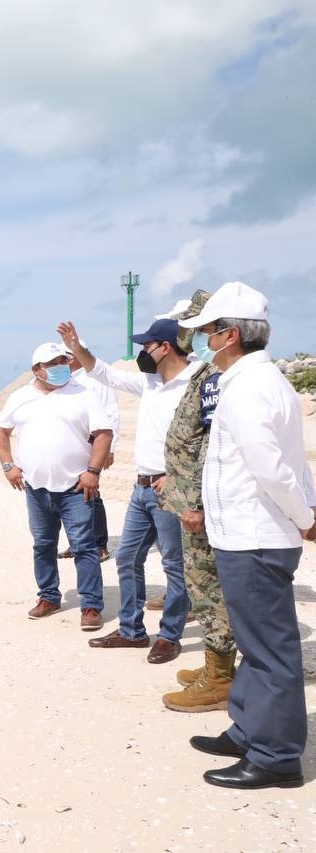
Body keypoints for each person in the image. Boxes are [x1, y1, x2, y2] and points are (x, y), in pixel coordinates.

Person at [177, 281, 316, 790]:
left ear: (230, 334)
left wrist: (305, 517)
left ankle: (277, 757)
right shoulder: (256, 381)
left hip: (255, 535)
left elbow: (272, 468)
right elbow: (291, 458)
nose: (204, 342)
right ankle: (249, 729)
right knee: (256, 643)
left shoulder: (250, 386)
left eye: (208, 332)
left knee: (269, 649)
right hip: (244, 533)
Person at [57, 317, 195, 664]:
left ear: (166, 347)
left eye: (147, 346)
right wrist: (77, 348)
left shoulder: (196, 382)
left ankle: (169, 635)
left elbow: (206, 439)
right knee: (127, 557)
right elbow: (104, 373)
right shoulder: (151, 382)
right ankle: (132, 631)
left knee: (174, 566)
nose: (142, 352)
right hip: (142, 488)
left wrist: (179, 477)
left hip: (171, 488)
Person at [0, 342, 113, 630]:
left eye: (64, 360)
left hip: (77, 488)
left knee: (84, 547)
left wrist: (92, 472)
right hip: (36, 489)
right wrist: (9, 466)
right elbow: (1, 431)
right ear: (37, 369)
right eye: (54, 362)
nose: (62, 366)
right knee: (43, 545)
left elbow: (103, 434)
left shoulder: (83, 393)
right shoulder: (20, 397)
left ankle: (91, 605)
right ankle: (49, 597)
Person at [159, 291, 235, 712]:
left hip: (200, 507)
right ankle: (218, 665)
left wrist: (198, 504)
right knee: (200, 583)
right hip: (190, 499)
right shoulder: (209, 371)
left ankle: (220, 677)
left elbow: (211, 445)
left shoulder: (218, 377)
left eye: (199, 328)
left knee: (207, 589)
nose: (189, 334)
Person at [57, 346, 117, 563]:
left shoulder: (96, 380)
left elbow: (112, 412)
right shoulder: (64, 381)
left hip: (95, 442)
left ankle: (100, 544)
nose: (62, 363)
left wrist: (110, 448)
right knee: (71, 491)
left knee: (92, 491)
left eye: (65, 358)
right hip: (74, 442)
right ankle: (78, 542)